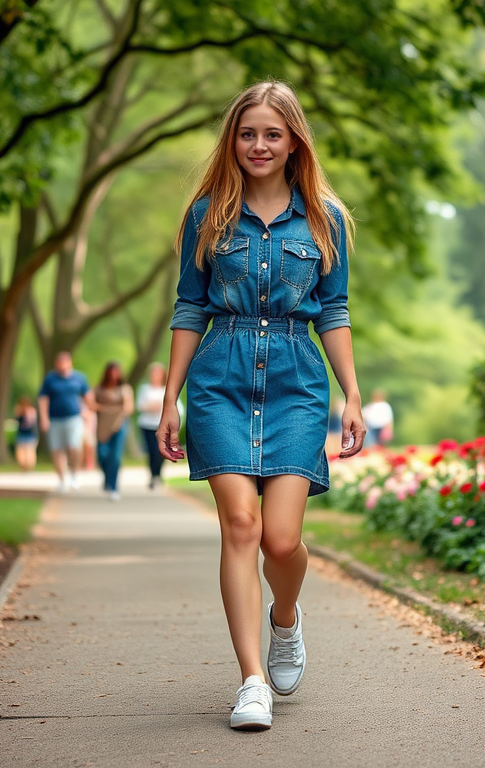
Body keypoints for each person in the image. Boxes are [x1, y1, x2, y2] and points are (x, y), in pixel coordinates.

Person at [156, 81, 366, 732]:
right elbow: (190, 306)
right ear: (232, 140)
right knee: (240, 527)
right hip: (220, 374)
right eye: (248, 133)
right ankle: (251, 681)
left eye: (272, 133)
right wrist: (170, 397)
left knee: (282, 539)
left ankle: (285, 619)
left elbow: (332, 309)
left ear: (294, 140)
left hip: (298, 383)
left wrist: (352, 392)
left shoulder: (325, 217)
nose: (259, 145)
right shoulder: (206, 215)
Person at [38, 350, 91, 492]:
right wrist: (44, 418)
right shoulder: (50, 379)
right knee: (57, 450)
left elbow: (88, 397)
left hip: (74, 418)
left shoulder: (79, 378)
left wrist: (87, 412)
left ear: (69, 362)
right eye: (59, 362)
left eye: (64, 362)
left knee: (75, 446)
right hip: (55, 419)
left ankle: (74, 474)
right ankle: (62, 479)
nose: (61, 365)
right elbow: (43, 398)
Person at [136, 362, 181, 489]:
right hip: (147, 425)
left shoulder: (167, 389)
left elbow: (178, 408)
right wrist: (152, 406)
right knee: (152, 451)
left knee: (161, 451)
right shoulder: (144, 389)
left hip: (162, 425)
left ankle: (158, 474)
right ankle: (153, 475)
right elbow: (140, 405)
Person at [93, 361, 134, 501]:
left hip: (119, 425)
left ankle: (114, 486)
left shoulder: (125, 389)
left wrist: (118, 409)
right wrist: (105, 409)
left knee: (115, 457)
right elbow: (91, 404)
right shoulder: (99, 388)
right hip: (102, 425)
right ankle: (107, 478)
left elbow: (129, 408)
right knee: (102, 455)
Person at [12, 395, 39, 472]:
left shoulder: (31, 411)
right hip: (24, 434)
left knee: (28, 452)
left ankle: (28, 467)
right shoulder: (20, 412)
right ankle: (24, 467)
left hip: (29, 434)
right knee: (23, 452)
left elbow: (32, 423)